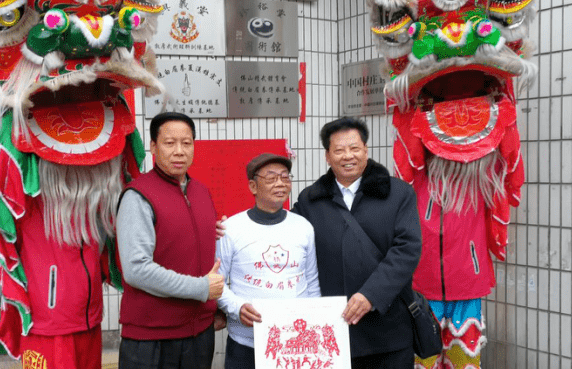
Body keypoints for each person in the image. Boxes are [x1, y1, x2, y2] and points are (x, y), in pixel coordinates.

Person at [292, 117, 421, 369]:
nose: (347, 156)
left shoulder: (398, 193)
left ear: (366, 150)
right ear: (327, 156)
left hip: (388, 329)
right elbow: (286, 234)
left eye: (354, 148)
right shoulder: (310, 200)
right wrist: (233, 229)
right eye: (338, 150)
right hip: (332, 330)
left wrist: (371, 295)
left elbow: (407, 249)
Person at [116, 111, 224, 369]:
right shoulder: (138, 196)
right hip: (152, 339)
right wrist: (201, 289)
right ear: (153, 146)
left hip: (199, 335)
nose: (179, 151)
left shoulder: (200, 192)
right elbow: (137, 270)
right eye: (169, 143)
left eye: (186, 143)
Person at [217, 153, 321, 369]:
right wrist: (237, 308)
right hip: (246, 343)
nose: (280, 183)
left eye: (285, 177)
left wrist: (315, 322)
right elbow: (216, 282)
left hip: (294, 344)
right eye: (271, 178)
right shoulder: (231, 229)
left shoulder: (303, 227)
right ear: (253, 186)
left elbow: (312, 281)